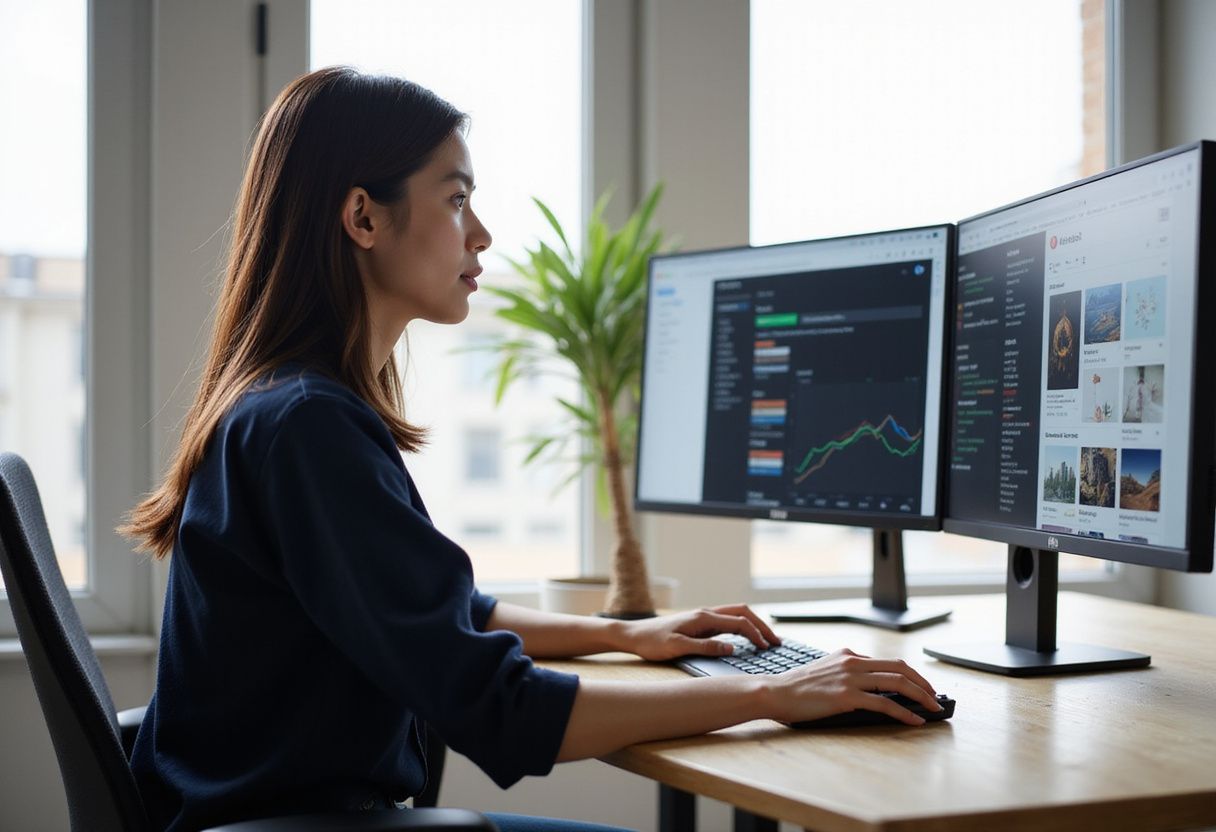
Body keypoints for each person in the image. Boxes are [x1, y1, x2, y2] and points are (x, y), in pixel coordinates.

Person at [120, 66, 941, 832]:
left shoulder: (284, 409)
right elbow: (498, 709)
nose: (481, 233)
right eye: (455, 199)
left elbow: (437, 619)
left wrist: (631, 636)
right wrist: (778, 692)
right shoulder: (307, 428)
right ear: (364, 216)